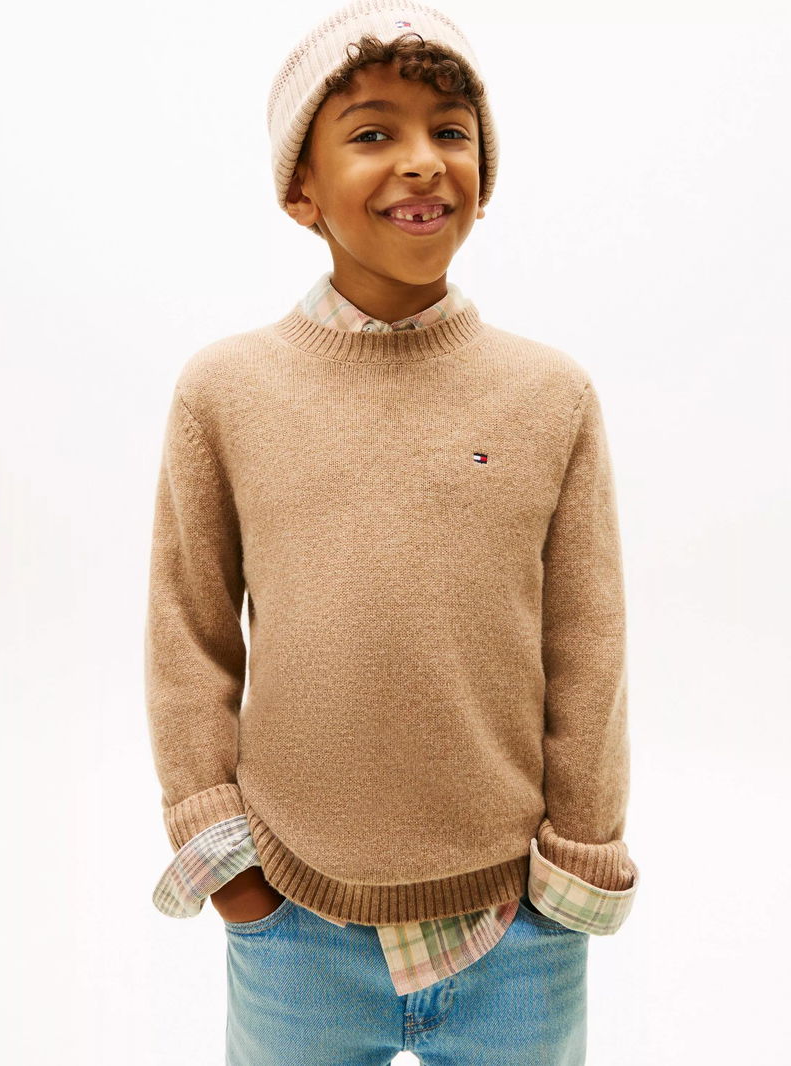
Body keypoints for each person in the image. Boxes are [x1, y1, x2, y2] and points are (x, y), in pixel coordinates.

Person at [144, 2, 640, 1063]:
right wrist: (228, 865)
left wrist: (579, 859)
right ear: (301, 187)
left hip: (517, 927)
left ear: (482, 173)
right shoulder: (224, 393)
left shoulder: (549, 395)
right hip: (293, 925)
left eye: (449, 131)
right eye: (372, 133)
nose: (421, 160)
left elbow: (588, 644)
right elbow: (188, 634)